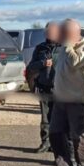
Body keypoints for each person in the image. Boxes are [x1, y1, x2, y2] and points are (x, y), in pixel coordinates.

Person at [49, 19, 84, 166]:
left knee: (79, 137)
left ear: (74, 33)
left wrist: (68, 46)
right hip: (60, 99)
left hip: (77, 100)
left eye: (64, 33)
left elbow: (75, 63)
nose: (61, 36)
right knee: (55, 134)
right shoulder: (63, 47)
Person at [26, 22, 59, 153]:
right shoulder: (40, 48)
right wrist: (43, 63)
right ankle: (45, 142)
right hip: (44, 87)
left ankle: (57, 144)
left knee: (59, 119)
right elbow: (31, 66)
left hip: (60, 88)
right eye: (48, 32)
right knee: (45, 119)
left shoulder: (64, 48)